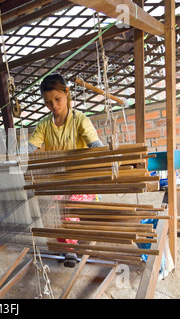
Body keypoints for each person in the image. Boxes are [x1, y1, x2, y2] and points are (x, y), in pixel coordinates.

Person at [25, 74, 103, 267]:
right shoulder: (44, 125)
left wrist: (106, 156)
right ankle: (67, 241)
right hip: (58, 181)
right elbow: (29, 148)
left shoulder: (80, 120)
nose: (54, 106)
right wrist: (12, 158)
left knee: (67, 206)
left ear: (67, 93)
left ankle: (70, 249)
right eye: (48, 103)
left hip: (81, 181)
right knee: (51, 205)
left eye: (57, 99)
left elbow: (95, 145)